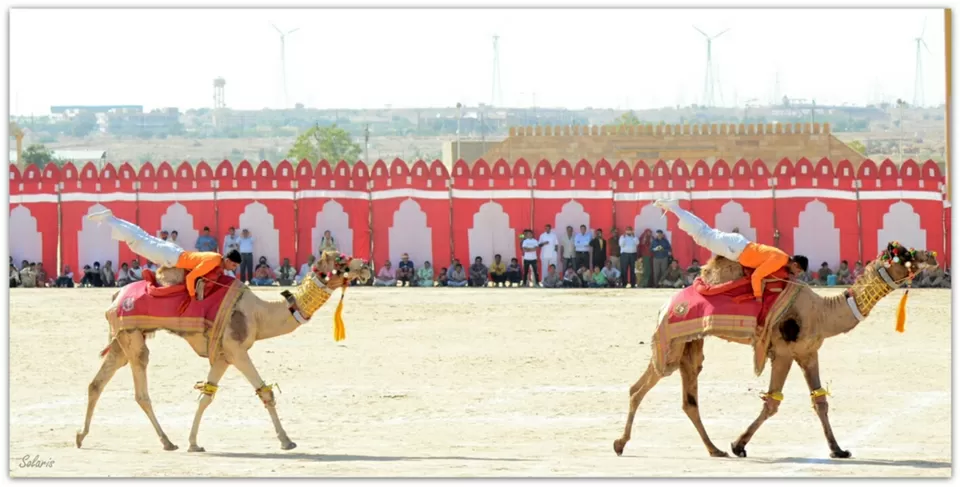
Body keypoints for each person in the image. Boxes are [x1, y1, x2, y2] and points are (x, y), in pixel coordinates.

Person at [654, 199, 809, 300]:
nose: (797, 274)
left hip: (739, 245)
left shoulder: (781, 256)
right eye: (799, 271)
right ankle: (675, 208)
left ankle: (676, 208)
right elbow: (756, 277)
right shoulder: (779, 260)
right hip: (736, 249)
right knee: (702, 235)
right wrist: (758, 297)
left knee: (705, 231)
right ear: (795, 265)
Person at [86, 209, 242, 300]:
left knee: (142, 237)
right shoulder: (214, 262)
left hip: (173, 252)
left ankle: (112, 218)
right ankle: (110, 219)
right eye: (233, 265)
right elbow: (190, 277)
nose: (232, 268)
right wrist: (193, 296)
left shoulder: (215, 258)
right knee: (137, 242)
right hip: (171, 257)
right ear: (227, 260)